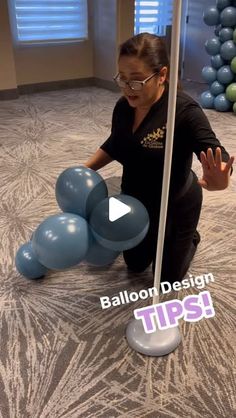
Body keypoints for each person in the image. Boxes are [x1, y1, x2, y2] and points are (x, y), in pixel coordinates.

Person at [84, 33, 234, 284]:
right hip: (134, 201)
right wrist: (85, 169)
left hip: (174, 202)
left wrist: (220, 179)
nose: (127, 88)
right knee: (135, 265)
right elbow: (116, 143)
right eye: (122, 78)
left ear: (162, 75)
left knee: (165, 280)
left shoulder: (184, 111)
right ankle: (155, 237)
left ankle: (190, 236)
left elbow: (216, 155)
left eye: (136, 81)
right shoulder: (123, 107)